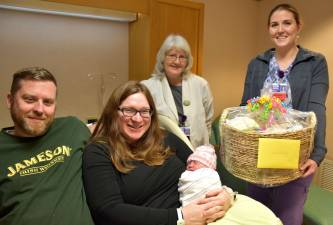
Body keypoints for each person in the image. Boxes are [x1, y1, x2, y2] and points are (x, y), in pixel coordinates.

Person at [82, 81, 231, 225]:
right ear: (114, 112)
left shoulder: (164, 137)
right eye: (129, 110)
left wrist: (227, 195)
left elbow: (205, 169)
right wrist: (180, 217)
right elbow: (108, 211)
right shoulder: (99, 151)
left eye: (144, 111)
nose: (137, 118)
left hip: (208, 216)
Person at [240, 4, 329, 225]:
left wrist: (317, 155)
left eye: (287, 23)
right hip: (259, 157)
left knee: (289, 218)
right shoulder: (257, 64)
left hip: (295, 158)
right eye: (274, 24)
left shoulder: (314, 63)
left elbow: (316, 110)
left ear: (299, 26)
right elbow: (245, 107)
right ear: (268, 29)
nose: (280, 29)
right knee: (257, 218)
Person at [0, 67, 94, 225]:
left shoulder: (72, 129)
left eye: (48, 102)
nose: (39, 109)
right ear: (10, 100)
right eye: (29, 99)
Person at [179, 145, 282, 225]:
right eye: (189, 162)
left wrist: (227, 193)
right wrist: (179, 215)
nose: (190, 165)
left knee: (266, 220)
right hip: (188, 213)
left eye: (195, 162)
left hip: (224, 198)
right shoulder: (187, 173)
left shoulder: (210, 174)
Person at [142, 34, 214, 148]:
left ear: (187, 61)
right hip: (162, 150)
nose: (177, 61)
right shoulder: (148, 87)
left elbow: (208, 120)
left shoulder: (201, 85)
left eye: (182, 57)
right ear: (163, 58)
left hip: (197, 150)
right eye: (172, 55)